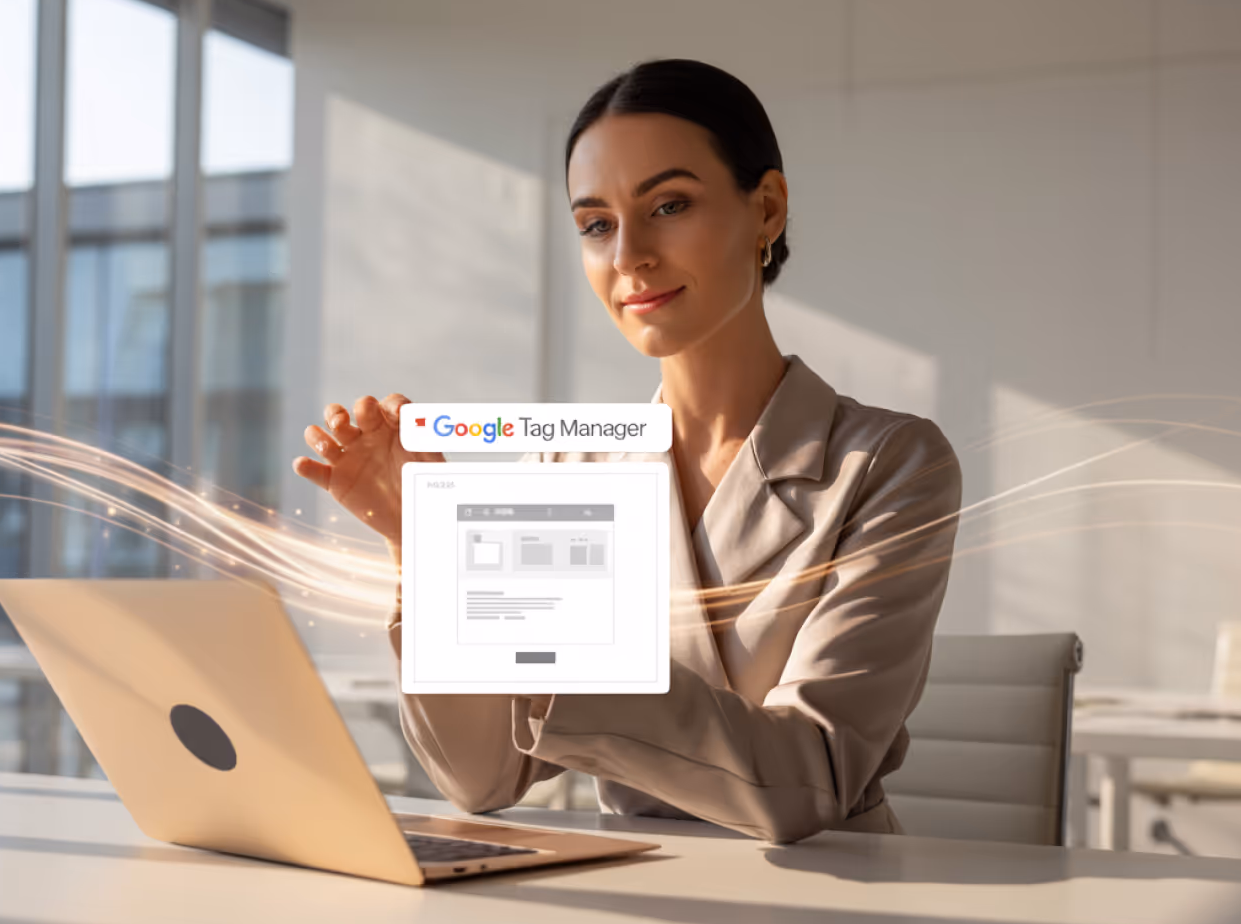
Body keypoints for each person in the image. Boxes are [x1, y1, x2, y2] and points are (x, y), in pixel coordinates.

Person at [293, 59, 962, 843]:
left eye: (668, 205)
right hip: (640, 890)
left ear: (768, 210)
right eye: (596, 224)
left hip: (834, 903)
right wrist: (433, 553)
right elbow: (483, 778)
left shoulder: (890, 464)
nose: (628, 256)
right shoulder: (567, 465)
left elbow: (809, 782)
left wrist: (550, 652)